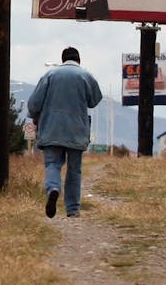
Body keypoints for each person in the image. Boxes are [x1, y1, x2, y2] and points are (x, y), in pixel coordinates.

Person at [28, 47, 102, 219]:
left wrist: (34, 115)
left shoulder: (50, 76)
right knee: (74, 170)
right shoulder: (85, 76)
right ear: (79, 60)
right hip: (77, 130)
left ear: (63, 59)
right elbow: (94, 100)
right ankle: (73, 209)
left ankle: (53, 188)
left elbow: (34, 103)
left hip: (52, 129)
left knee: (52, 164)